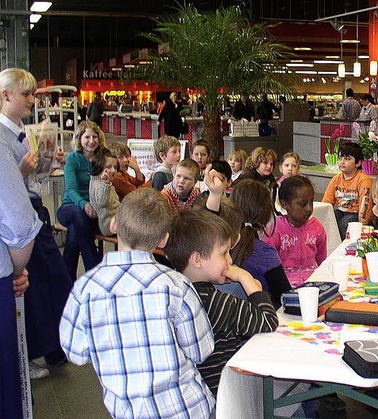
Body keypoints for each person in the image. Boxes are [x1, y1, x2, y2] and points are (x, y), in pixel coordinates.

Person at [59, 188, 216, 418]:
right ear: (164, 240)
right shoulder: (176, 285)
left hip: (127, 411)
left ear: (113, 225)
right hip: (187, 408)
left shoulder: (85, 290)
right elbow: (201, 350)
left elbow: (75, 353)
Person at [164, 209, 278, 396]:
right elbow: (268, 322)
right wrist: (246, 278)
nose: (230, 260)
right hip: (225, 397)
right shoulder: (216, 302)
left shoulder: (173, 294)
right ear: (197, 260)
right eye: (224, 253)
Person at [0, 67, 41, 413]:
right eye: (25, 94)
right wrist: (16, 267)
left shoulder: (17, 136)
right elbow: (17, 218)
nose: (31, 100)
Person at [230, 179, 292, 308]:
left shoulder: (220, 245)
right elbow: (286, 296)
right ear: (266, 213)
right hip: (263, 318)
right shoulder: (264, 252)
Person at [57, 121, 105, 280]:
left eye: (95, 137)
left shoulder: (102, 159)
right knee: (78, 215)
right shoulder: (72, 159)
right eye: (87, 137)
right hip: (70, 207)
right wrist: (84, 205)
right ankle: (94, 272)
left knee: (75, 232)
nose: (91, 141)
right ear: (79, 139)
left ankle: (66, 280)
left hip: (93, 212)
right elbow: (70, 190)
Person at [263, 176, 327, 287]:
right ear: (284, 204)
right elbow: (268, 265)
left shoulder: (317, 228)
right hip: (284, 283)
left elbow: (322, 261)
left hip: (313, 281)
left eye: (311, 203)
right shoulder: (275, 230)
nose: (308, 208)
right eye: (302, 204)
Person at [321, 142, 373, 240]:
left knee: (344, 225)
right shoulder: (336, 179)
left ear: (358, 163)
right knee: (329, 221)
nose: (342, 162)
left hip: (356, 214)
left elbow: (365, 207)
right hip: (341, 212)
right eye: (340, 158)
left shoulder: (364, 180)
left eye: (347, 159)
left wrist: (361, 225)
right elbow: (326, 203)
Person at [89, 148, 119, 236]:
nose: (113, 170)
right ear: (99, 166)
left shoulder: (97, 181)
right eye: (109, 167)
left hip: (115, 221)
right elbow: (103, 203)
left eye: (115, 167)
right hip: (109, 225)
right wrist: (106, 184)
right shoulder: (99, 185)